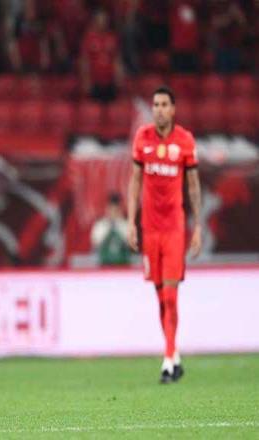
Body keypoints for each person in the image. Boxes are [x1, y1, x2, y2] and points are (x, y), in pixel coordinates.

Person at [127, 86, 201, 384]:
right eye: (155, 104)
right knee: (160, 296)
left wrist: (197, 227)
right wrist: (131, 223)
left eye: (164, 104)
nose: (158, 109)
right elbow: (134, 182)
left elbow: (193, 186)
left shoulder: (184, 141)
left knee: (171, 295)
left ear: (173, 109)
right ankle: (175, 356)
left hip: (174, 229)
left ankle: (168, 361)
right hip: (150, 229)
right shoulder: (142, 138)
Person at [79, 8, 122, 103]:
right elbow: (84, 61)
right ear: (95, 21)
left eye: (104, 20)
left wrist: (119, 77)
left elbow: (117, 59)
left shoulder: (112, 37)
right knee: (94, 108)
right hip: (94, 82)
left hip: (110, 81)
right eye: (100, 20)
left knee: (113, 107)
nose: (102, 22)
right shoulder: (88, 38)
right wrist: (86, 80)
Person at [91, 193, 130, 266]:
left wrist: (117, 226)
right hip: (103, 264)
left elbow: (129, 244)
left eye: (115, 210)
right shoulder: (99, 226)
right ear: (107, 209)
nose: (113, 213)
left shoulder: (126, 225)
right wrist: (110, 228)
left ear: (120, 210)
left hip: (123, 264)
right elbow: (95, 244)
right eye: (111, 209)